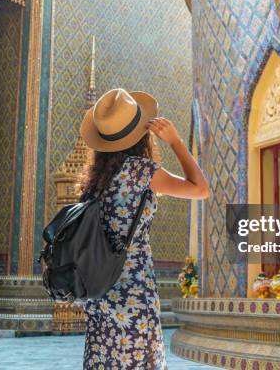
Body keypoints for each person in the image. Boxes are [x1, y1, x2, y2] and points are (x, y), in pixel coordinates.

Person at [78, 88, 209, 369]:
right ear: (140, 134)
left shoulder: (93, 181)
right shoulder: (140, 171)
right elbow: (201, 189)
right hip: (133, 294)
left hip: (98, 293)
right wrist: (175, 142)